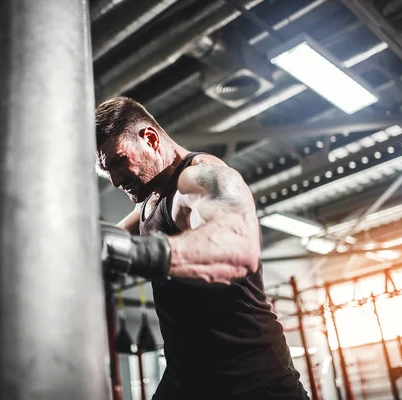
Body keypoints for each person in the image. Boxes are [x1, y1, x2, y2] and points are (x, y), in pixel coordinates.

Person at [97, 96, 309, 400]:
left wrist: (137, 254)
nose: (115, 180)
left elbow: (238, 247)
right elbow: (106, 239)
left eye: (118, 161)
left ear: (150, 139)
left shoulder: (200, 177)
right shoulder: (150, 200)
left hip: (252, 380)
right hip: (189, 377)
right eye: (107, 171)